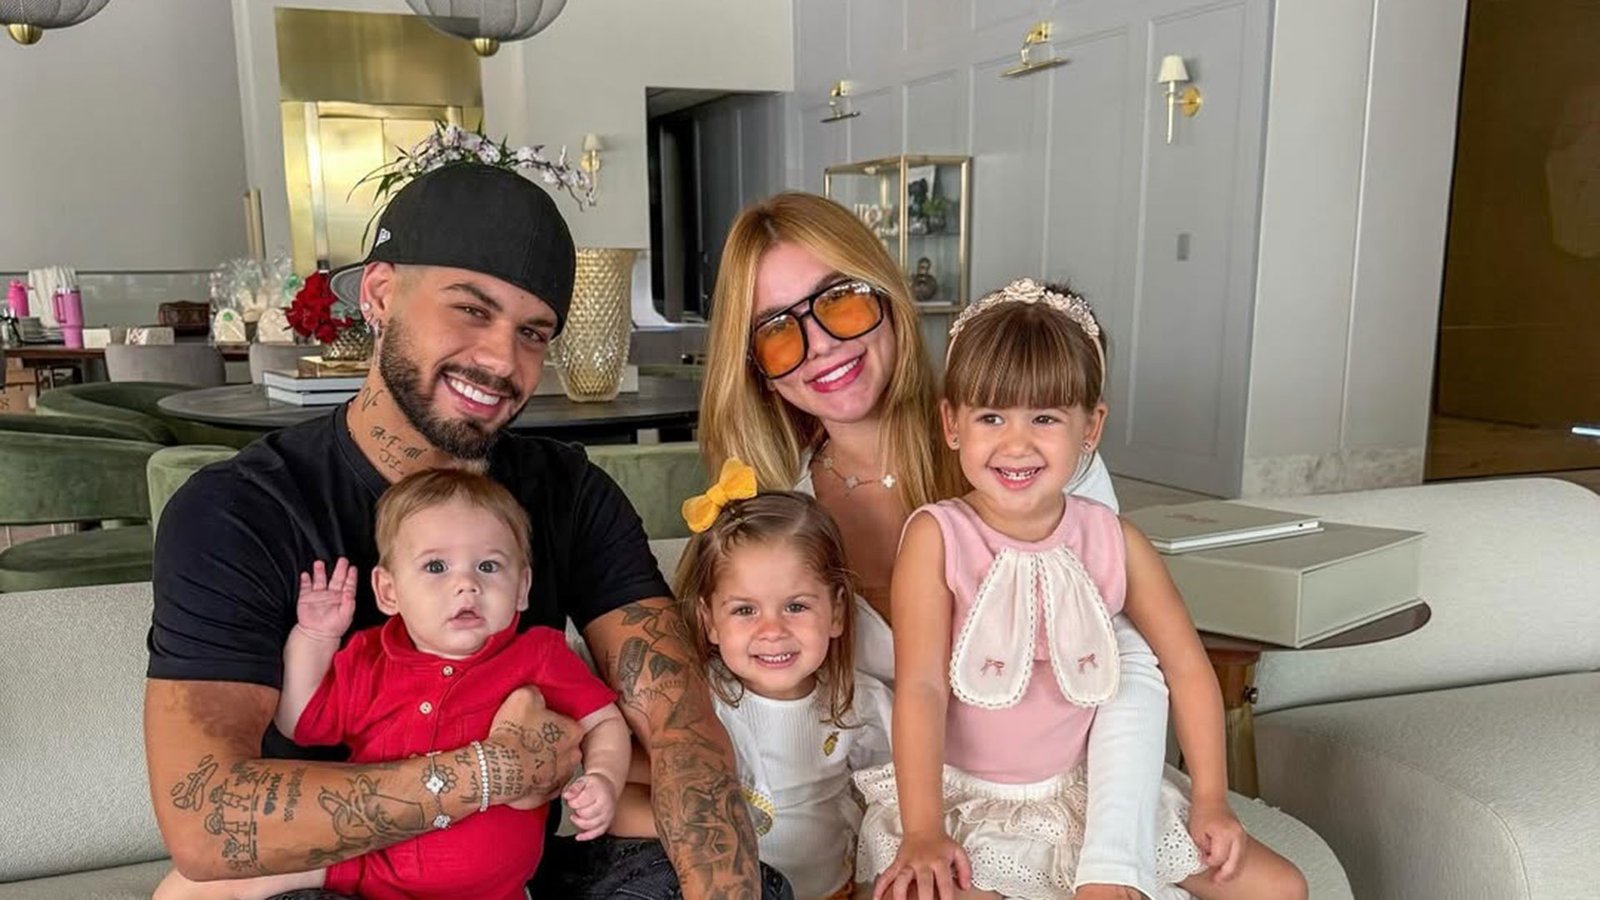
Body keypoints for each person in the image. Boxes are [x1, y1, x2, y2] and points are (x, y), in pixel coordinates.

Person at [144, 163, 772, 899]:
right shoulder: (239, 511)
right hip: (334, 882)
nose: (503, 360)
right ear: (380, 295)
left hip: (506, 869)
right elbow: (206, 820)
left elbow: (681, 731)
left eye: (532, 333)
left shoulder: (568, 493)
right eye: (472, 310)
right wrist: (488, 773)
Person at [697, 193, 1171, 899]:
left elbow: (1126, 666)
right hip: (910, 829)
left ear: (888, 294)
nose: (819, 344)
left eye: (840, 300)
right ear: (756, 364)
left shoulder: (1021, 451)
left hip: (1077, 797)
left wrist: (1111, 862)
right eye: (777, 329)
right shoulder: (774, 522)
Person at [857, 279, 1307, 900]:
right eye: (991, 417)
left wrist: (1210, 798)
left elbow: (1187, 668)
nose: (1016, 443)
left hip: (1082, 795)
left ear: (1090, 427)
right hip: (970, 800)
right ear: (952, 423)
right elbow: (922, 688)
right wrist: (924, 830)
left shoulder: (1117, 541)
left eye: (1045, 417)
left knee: (1282, 888)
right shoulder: (937, 537)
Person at [155, 469, 631, 900]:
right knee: (187, 886)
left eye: (488, 566)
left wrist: (604, 779)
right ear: (388, 591)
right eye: (436, 567)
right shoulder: (370, 659)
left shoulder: (537, 655)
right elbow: (298, 720)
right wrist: (315, 637)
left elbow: (604, 722)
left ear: (522, 588)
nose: (466, 584)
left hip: (492, 888)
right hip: (368, 864)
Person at [612, 460, 894, 900]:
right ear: (709, 620)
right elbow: (619, 799)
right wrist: (712, 826)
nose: (772, 630)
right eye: (745, 610)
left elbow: (897, 803)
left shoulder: (858, 702)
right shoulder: (697, 703)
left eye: (796, 606)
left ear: (837, 611)